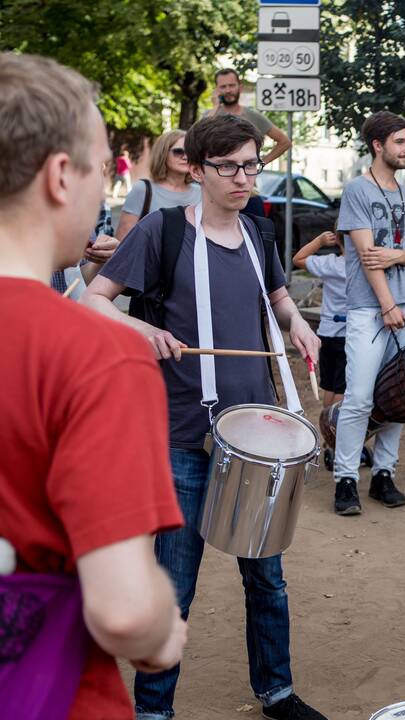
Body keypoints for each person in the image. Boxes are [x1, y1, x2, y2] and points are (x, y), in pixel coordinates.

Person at [83, 114, 326, 720]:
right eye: (228, 167)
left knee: (266, 578)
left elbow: (277, 295)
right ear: (195, 168)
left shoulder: (258, 234)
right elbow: (94, 301)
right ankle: (154, 711)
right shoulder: (162, 232)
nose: (243, 177)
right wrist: (147, 330)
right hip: (183, 437)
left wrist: (297, 323)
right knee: (176, 587)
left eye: (251, 164)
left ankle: (276, 691)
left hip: (255, 432)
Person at [0, 51, 187, 719]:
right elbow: (124, 610)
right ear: (59, 176)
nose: (107, 187)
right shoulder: (97, 353)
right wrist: (164, 629)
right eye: (104, 166)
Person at [332, 110, 405, 514]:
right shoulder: (358, 191)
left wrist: (397, 255)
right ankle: (346, 478)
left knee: (400, 395)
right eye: (400, 142)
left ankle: (384, 473)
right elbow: (368, 257)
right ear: (378, 145)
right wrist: (387, 304)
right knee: (360, 396)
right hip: (372, 307)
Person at [293, 230, 348, 408]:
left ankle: (327, 425)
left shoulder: (329, 263)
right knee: (342, 387)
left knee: (329, 386)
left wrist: (319, 241)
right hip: (348, 334)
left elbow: (298, 259)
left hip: (326, 332)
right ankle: (335, 428)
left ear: (337, 240)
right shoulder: (362, 264)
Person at [116, 130, 201, 242]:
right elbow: (123, 241)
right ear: (163, 153)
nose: (185, 157)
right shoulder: (143, 189)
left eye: (190, 152)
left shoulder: (201, 192)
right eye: (178, 151)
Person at [207, 68, 292, 165]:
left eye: (232, 85)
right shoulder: (210, 116)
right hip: (216, 177)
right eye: (223, 87)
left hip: (247, 177)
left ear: (240, 87)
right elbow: (197, 139)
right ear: (216, 90)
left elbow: (285, 142)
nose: (228, 90)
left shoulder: (253, 116)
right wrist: (215, 107)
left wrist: (261, 163)